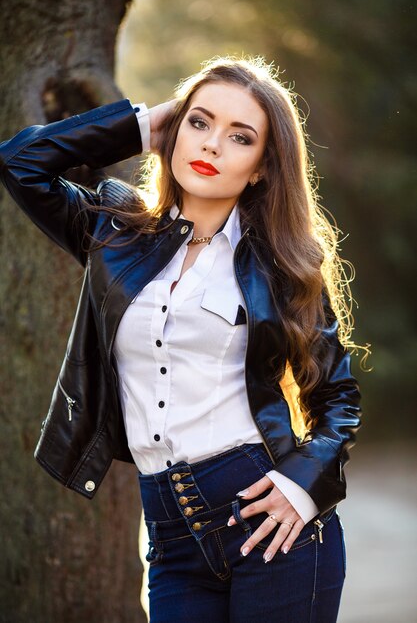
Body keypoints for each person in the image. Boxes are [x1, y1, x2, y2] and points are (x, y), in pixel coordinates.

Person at [0, 56, 363, 622]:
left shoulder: (283, 266)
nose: (213, 145)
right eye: (200, 122)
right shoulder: (113, 235)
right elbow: (20, 162)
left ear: (262, 167)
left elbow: (338, 398)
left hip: (270, 522)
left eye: (239, 137)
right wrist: (141, 126)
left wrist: (305, 486)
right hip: (168, 532)